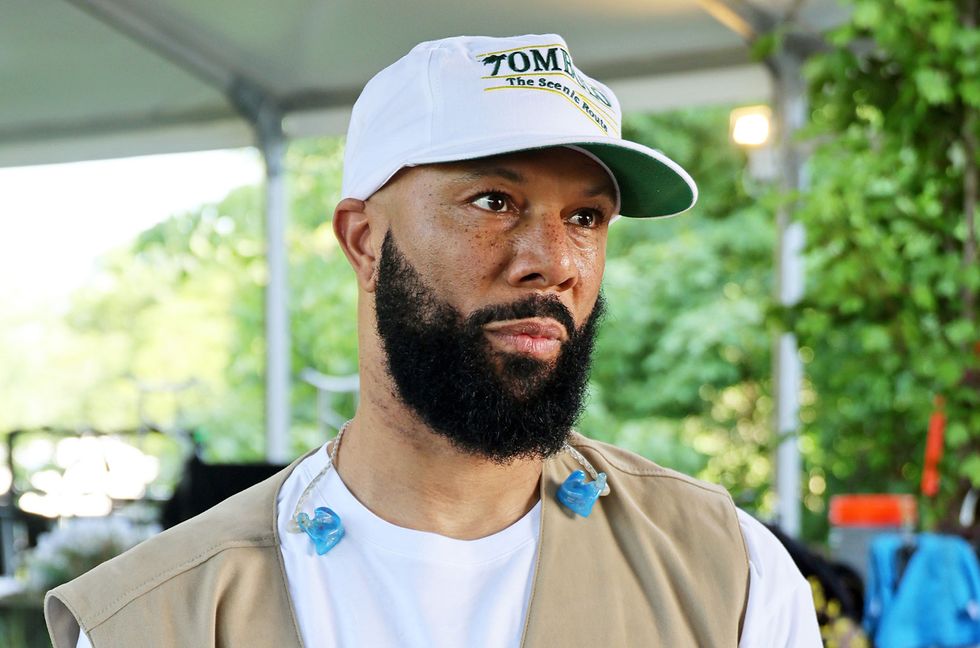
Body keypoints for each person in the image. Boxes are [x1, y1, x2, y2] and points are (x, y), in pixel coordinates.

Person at [45, 33, 821, 647]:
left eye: (585, 217)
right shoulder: (162, 618)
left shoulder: (730, 573)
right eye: (493, 201)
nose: (551, 263)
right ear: (363, 242)